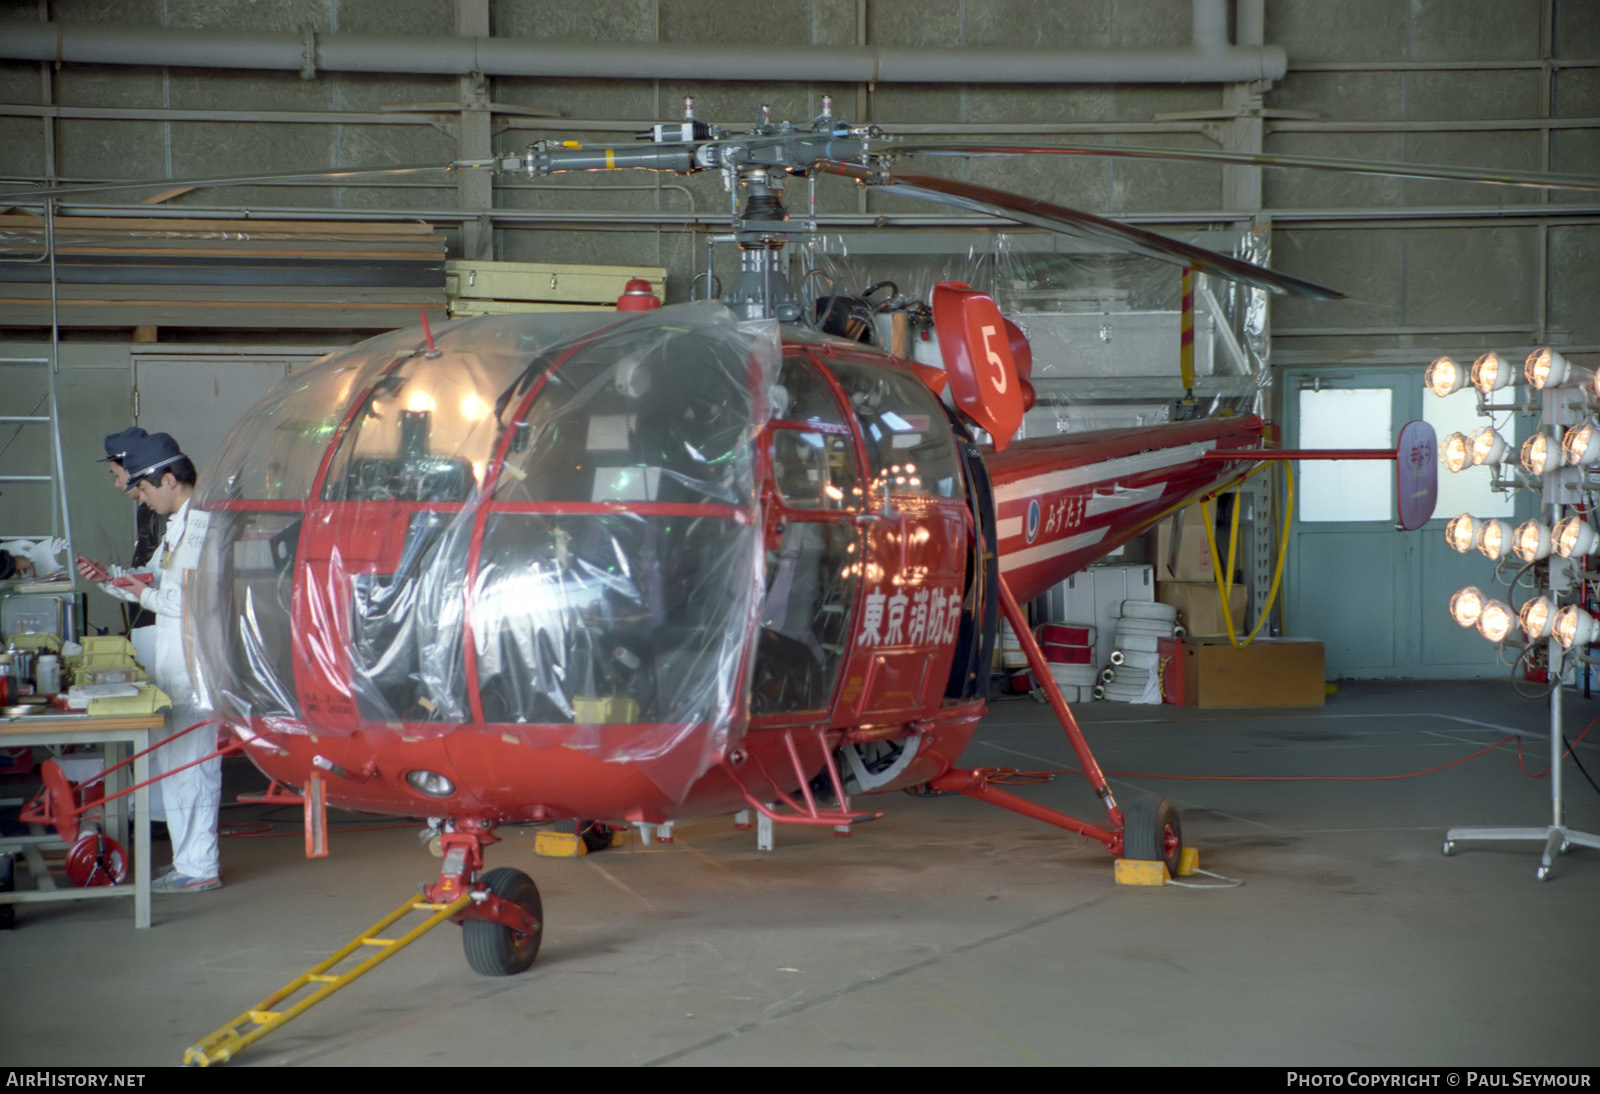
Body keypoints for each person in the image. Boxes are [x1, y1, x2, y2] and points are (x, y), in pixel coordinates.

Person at [77, 432, 220, 893]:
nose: (140, 496)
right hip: (175, 663)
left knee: (193, 767)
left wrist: (145, 591)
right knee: (177, 766)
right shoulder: (179, 525)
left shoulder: (203, 525)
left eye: (143, 488)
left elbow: (194, 598)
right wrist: (111, 579)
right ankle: (187, 861)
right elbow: (153, 579)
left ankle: (200, 868)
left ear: (170, 479)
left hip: (195, 667)